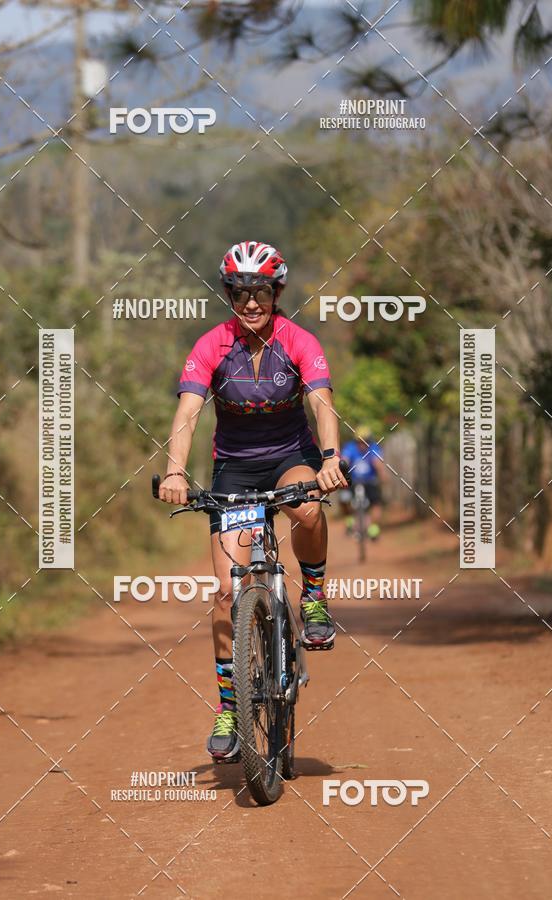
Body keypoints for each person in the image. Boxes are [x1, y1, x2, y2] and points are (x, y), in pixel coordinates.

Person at [158, 240, 347, 762]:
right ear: (228, 294)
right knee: (225, 592)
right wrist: (176, 471)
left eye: (260, 291)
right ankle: (229, 707)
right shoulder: (211, 345)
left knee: (308, 508)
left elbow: (321, 402)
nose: (250, 303)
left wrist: (330, 459)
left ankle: (311, 596)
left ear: (276, 291)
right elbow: (190, 413)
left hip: (292, 456)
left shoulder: (298, 341)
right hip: (235, 470)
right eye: (240, 292)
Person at [340, 428, 385, 539]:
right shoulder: (350, 448)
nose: (362, 444)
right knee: (344, 499)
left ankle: (373, 529)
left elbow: (378, 464)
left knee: (376, 502)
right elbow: (345, 460)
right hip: (353, 481)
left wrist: (382, 475)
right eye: (359, 441)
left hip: (370, 481)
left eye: (365, 441)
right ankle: (349, 521)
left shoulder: (374, 448)